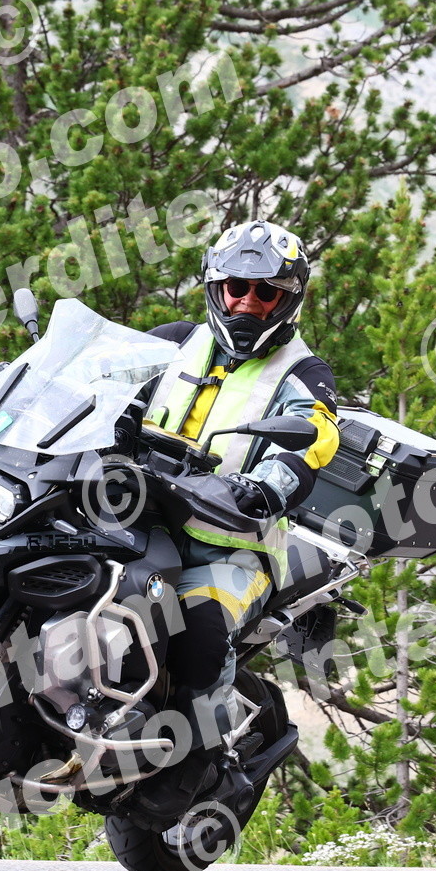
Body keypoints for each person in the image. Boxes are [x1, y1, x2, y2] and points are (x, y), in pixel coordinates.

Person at [140, 219, 341, 711]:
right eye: (237, 287)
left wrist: (267, 485)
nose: (248, 302)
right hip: (135, 518)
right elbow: (97, 377)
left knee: (197, 631)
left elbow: (313, 434)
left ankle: (203, 741)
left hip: (226, 550)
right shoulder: (171, 341)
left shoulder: (304, 373)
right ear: (217, 288)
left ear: (288, 299)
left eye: (266, 292)